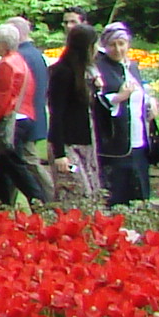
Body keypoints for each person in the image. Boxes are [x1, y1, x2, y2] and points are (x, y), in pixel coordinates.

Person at [0, 21, 48, 209]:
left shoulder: (7, 64)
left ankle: (39, 203)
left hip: (13, 120)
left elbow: (2, 98)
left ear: (3, 43)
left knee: (16, 166)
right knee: (2, 167)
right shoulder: (19, 60)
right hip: (25, 117)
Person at [90, 23, 156, 205]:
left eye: (122, 43)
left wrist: (150, 103)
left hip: (139, 141)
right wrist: (119, 97)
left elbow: (141, 93)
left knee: (141, 193)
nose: (118, 49)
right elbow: (96, 104)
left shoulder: (132, 67)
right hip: (115, 144)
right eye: (113, 45)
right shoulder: (100, 69)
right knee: (117, 193)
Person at [45, 22, 104, 205]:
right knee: (75, 194)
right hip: (67, 143)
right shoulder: (62, 73)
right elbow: (57, 113)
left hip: (85, 142)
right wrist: (59, 152)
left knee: (92, 193)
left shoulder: (86, 73)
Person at [12, 18, 56, 190]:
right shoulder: (36, 54)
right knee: (14, 164)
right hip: (35, 116)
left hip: (24, 119)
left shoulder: (21, 57)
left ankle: (49, 197)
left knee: (29, 162)